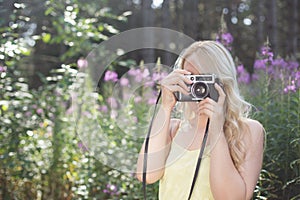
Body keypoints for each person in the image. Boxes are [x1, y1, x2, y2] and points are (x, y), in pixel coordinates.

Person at [136, 40, 265, 200]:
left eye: (203, 79)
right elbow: (146, 174)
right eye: (190, 79)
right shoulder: (172, 128)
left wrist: (216, 130)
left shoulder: (248, 131)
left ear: (222, 83)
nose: (198, 88)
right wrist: (165, 107)